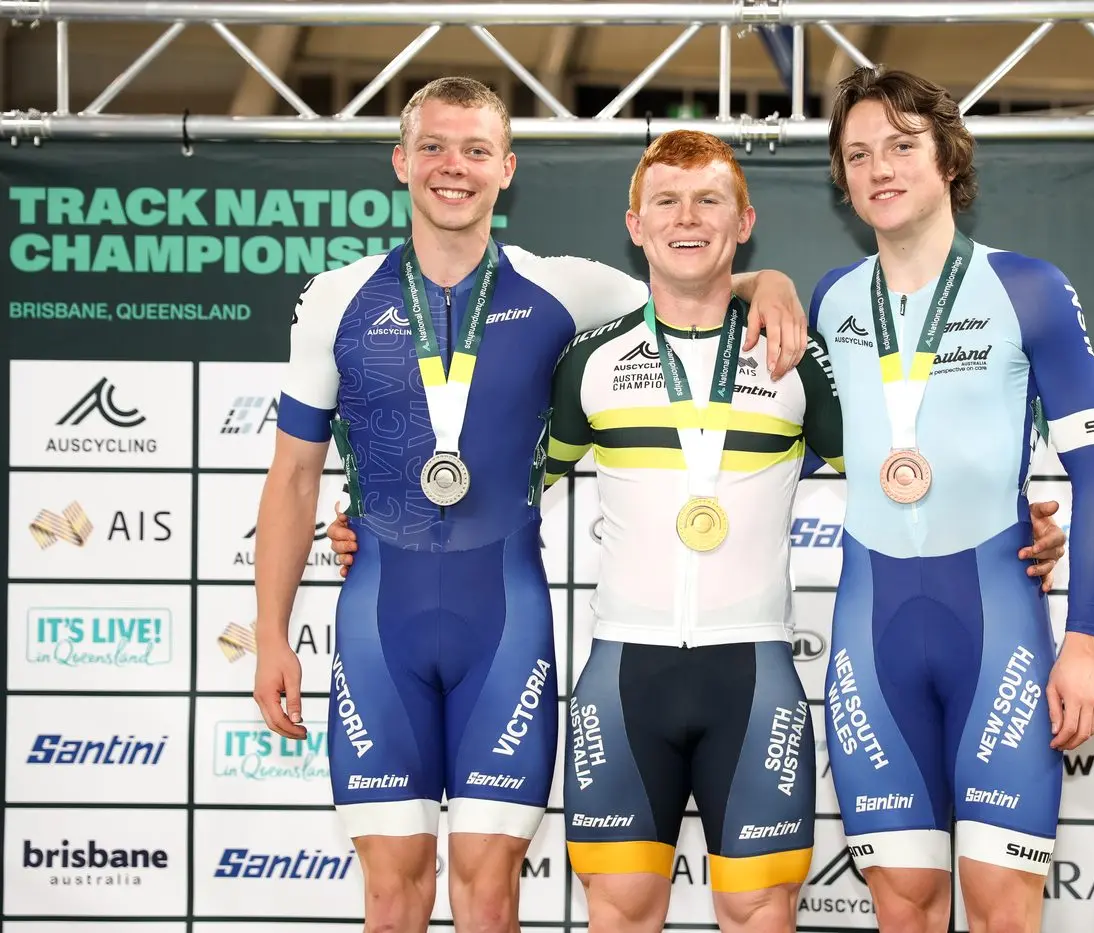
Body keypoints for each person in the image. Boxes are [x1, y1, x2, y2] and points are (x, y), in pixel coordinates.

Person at [327, 127, 1070, 932]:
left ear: (743, 221)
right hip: (622, 677)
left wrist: (1000, 518)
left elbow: (896, 476)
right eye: (667, 203)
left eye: (710, 200)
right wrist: (381, 521)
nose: (689, 218)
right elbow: (502, 486)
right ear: (634, 225)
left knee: (757, 911)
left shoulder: (794, 354)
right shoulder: (588, 360)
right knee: (618, 912)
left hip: (752, 677)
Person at [250, 76, 813, 933]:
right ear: (400, 162)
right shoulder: (335, 299)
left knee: (488, 887)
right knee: (390, 891)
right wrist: (268, 634)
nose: (454, 167)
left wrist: (767, 278)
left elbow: (690, 280)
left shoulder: (569, 291)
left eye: (476, 150)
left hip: (503, 621)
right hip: (377, 623)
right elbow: (293, 477)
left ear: (506, 168)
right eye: (434, 146)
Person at [810, 65, 1094, 933]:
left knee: (999, 910)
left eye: (902, 147)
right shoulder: (832, 300)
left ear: (947, 158)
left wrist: (1084, 644)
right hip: (870, 636)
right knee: (903, 907)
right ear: (842, 178)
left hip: (998, 635)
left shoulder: (1026, 287)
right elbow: (803, 448)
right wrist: (755, 285)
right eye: (859, 153)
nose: (880, 168)